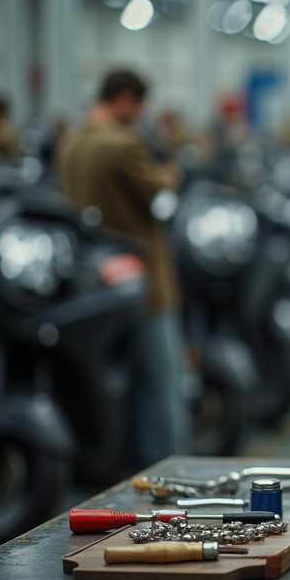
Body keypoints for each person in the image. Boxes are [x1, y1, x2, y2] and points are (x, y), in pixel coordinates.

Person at [57, 70, 190, 463]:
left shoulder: (71, 142)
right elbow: (159, 192)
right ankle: (172, 473)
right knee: (162, 384)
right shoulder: (123, 144)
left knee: (125, 386)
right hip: (144, 282)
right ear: (125, 99)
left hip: (98, 284)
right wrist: (171, 173)